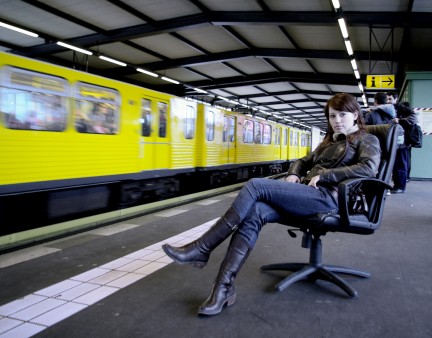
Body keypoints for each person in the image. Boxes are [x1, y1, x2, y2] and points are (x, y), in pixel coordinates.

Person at [162, 93, 381, 316]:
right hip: (308, 196)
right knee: (255, 211)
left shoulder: (366, 140)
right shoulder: (329, 141)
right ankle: (222, 288)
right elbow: (302, 161)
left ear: (355, 115)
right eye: (332, 115)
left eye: (342, 114)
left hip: (330, 200)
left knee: (256, 186)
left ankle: (202, 247)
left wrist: (326, 176)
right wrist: (294, 173)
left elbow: (368, 168)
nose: (337, 120)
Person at [386, 91, 417, 193]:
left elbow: (413, 118)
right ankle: (396, 185)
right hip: (394, 142)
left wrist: (400, 120)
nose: (388, 101)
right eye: (387, 99)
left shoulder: (402, 108)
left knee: (401, 165)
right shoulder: (389, 109)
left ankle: (400, 187)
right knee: (395, 165)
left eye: (390, 99)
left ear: (396, 99)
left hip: (403, 143)